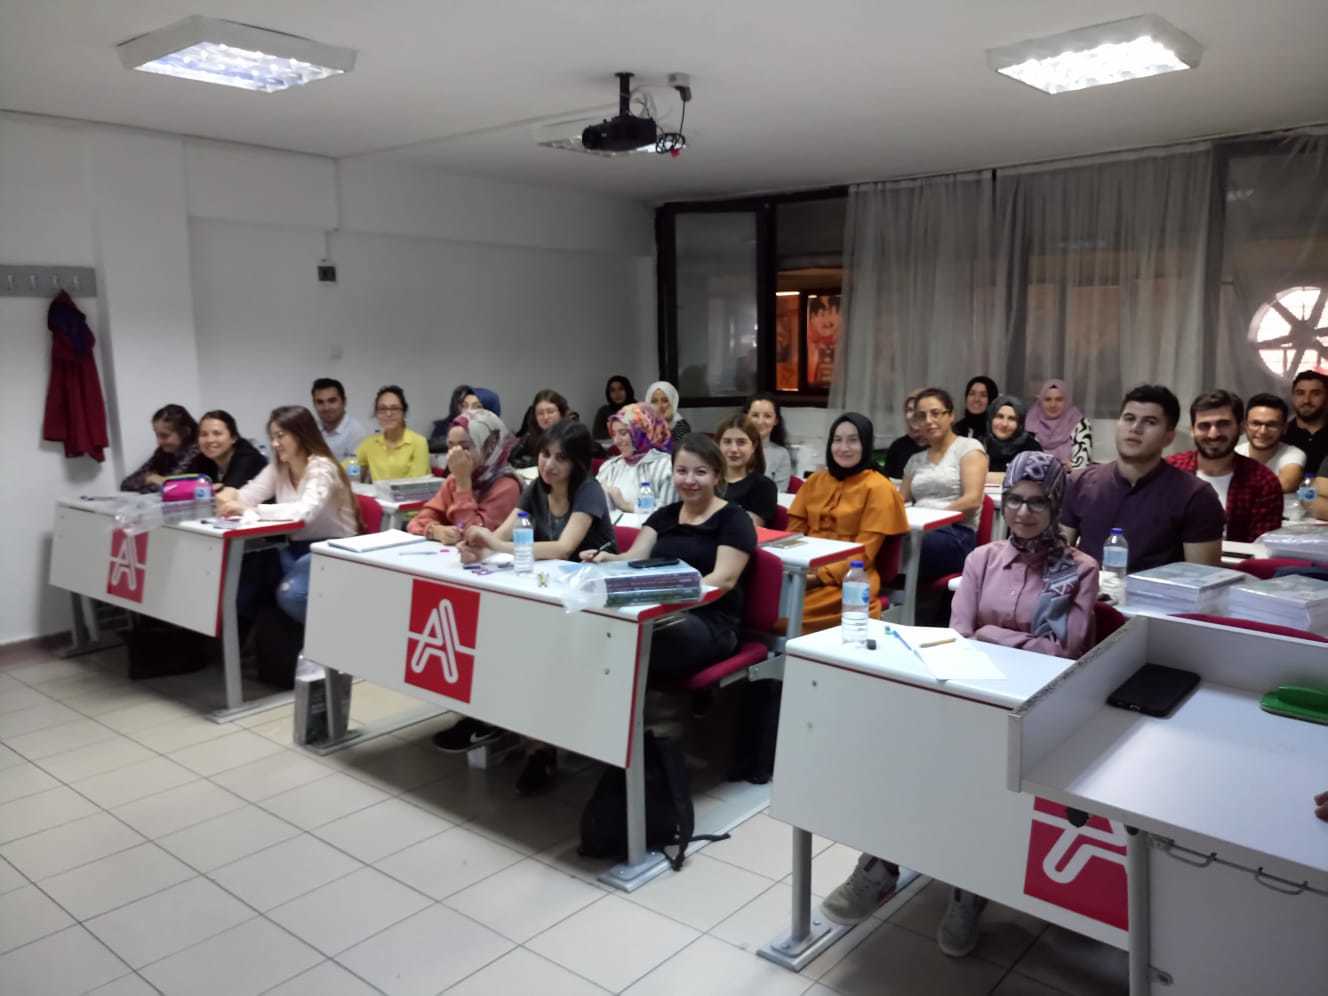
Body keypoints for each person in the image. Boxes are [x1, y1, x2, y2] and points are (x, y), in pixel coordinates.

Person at [824, 451, 1099, 958]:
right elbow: (958, 636)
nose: (1023, 512)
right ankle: (879, 865)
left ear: (1056, 505)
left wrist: (989, 634)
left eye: (1038, 502)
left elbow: (1063, 651)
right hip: (968, 694)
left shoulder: (1078, 570)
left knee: (976, 774)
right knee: (902, 754)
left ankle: (968, 886)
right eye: (1014, 499)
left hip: (1034, 710)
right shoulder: (982, 558)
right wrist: (1010, 639)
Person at [440, 421, 617, 791]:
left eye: (560, 459)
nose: (549, 465)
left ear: (578, 463)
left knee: (534, 653)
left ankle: (541, 749)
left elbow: (563, 548)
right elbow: (502, 534)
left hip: (592, 603)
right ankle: (496, 721)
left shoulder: (588, 491)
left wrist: (495, 545)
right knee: (494, 638)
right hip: (548, 595)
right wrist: (477, 548)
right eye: (545, 454)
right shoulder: (536, 489)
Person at [584, 434, 756, 681]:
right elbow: (633, 558)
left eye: (700, 472)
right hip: (658, 610)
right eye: (681, 471)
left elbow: (724, 579)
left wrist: (671, 599)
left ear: (716, 476)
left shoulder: (734, 519)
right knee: (602, 623)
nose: (689, 480)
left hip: (711, 620)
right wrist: (604, 559)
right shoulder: (664, 515)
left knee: (654, 634)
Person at [216, 406, 361, 622]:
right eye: (272, 437)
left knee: (291, 596)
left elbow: (304, 512)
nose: (275, 444)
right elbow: (248, 496)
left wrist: (251, 510)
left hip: (334, 549)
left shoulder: (322, 467)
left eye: (280, 436)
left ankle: (328, 635)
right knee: (250, 582)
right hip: (296, 548)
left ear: (300, 434)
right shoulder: (280, 467)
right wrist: (230, 497)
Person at [1061, 385, 1225, 571]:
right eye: (1129, 418)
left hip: (1158, 589)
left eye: (1150, 422)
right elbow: (1057, 559)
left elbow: (1201, 579)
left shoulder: (1196, 495)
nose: (1135, 428)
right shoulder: (1080, 482)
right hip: (1089, 588)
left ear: (1169, 437)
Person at [788, 414, 908, 631]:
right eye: (837, 440)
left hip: (849, 577)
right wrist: (793, 571)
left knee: (788, 613)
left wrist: (818, 577)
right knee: (760, 600)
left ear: (866, 444)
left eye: (853, 440)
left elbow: (863, 554)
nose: (843, 448)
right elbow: (792, 536)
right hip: (803, 570)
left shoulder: (879, 488)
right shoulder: (815, 481)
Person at [1166, 391, 1283, 543]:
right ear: (1192, 430)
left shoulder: (1263, 481)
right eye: (1204, 426)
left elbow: (1262, 548)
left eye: (1223, 424)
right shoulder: (1169, 471)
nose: (1213, 434)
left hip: (1239, 559)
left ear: (1241, 428)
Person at [901, 389, 989, 580]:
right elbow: (899, 502)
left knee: (920, 543)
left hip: (957, 533)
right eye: (921, 416)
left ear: (951, 416)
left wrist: (932, 520)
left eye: (935, 413)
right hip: (917, 531)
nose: (928, 421)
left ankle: (914, 597)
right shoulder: (915, 460)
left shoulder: (969, 448)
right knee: (883, 539)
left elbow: (972, 500)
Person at [406, 410, 521, 543]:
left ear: (490, 446)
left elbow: (475, 537)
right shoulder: (454, 479)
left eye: (465, 447)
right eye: (450, 447)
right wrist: (435, 530)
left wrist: (463, 484)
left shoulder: (507, 485)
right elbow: (416, 522)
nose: (455, 455)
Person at [596, 403, 677, 513]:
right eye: (614, 434)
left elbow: (668, 513)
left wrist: (626, 505)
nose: (616, 441)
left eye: (623, 433)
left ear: (643, 432)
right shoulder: (609, 467)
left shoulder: (665, 468)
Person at [354, 386, 430, 483]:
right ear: (376, 413)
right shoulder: (369, 443)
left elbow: (417, 484)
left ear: (404, 412)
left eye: (394, 408)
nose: (388, 414)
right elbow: (350, 465)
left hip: (411, 493)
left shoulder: (419, 442)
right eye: (382, 409)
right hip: (377, 493)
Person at [715, 414, 778, 527]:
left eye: (741, 442)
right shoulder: (708, 481)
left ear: (753, 446)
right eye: (727, 442)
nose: (734, 449)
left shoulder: (764, 486)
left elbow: (749, 527)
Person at [120, 404, 200, 493]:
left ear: (185, 432)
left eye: (164, 435)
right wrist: (149, 478)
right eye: (157, 435)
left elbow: (169, 486)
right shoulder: (163, 452)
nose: (158, 442)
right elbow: (125, 484)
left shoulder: (197, 452)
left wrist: (155, 480)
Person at [1025, 380, 1093, 469]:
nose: (1053, 405)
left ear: (1067, 401)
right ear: (1041, 401)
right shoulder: (1032, 420)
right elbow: (1025, 460)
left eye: (1059, 399)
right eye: (1048, 399)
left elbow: (1081, 465)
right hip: (1035, 475)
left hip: (1070, 476)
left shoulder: (1079, 423)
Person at [190, 410, 267, 490]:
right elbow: (185, 486)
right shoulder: (203, 458)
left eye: (217, 433)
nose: (210, 440)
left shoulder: (248, 458)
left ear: (233, 438)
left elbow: (228, 492)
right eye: (203, 434)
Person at [981, 395, 1042, 482]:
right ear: (991, 419)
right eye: (1000, 416)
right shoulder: (980, 446)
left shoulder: (1032, 449)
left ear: (1020, 423)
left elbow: (1036, 480)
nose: (1004, 424)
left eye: (1012, 419)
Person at [745, 392, 795, 491]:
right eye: (755, 415)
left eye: (767, 416)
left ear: (776, 420)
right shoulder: (733, 449)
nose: (760, 422)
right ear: (746, 417)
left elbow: (779, 492)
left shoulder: (781, 454)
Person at [1284, 371, 1328, 478]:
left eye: (1316, 394)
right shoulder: (1280, 435)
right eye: (1300, 393)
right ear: (1292, 396)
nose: (1306, 400)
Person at [310, 378, 367, 462]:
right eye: (320, 402)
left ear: (344, 402)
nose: (326, 408)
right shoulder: (311, 429)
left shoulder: (356, 432)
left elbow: (355, 469)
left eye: (332, 401)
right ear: (314, 404)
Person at [510, 389, 569, 469]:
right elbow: (512, 457)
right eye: (540, 413)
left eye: (550, 412)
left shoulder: (571, 436)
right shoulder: (532, 434)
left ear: (561, 413)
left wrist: (532, 462)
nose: (545, 417)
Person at [881, 389, 926, 480]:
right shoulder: (898, 446)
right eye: (909, 410)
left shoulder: (939, 446)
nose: (913, 415)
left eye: (918, 410)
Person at [645, 380, 691, 448]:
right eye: (654, 401)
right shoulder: (643, 423)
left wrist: (666, 423)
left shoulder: (681, 426)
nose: (659, 406)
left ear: (672, 402)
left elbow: (676, 451)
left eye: (665, 401)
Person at [592, 375, 636, 441]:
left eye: (621, 389)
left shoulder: (638, 408)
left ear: (628, 390)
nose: (617, 394)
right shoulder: (604, 411)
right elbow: (597, 435)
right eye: (612, 390)